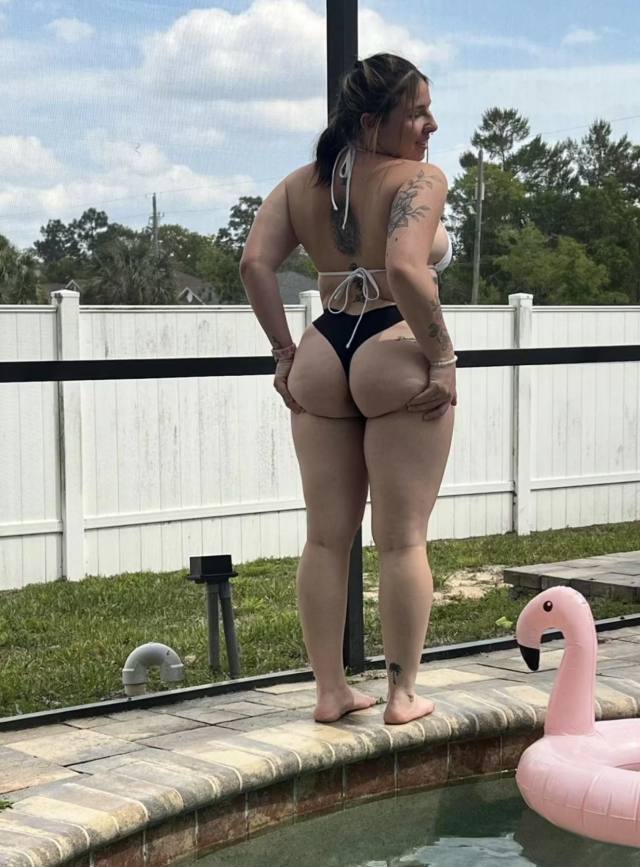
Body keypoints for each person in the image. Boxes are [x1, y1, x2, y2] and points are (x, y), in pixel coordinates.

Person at [239, 53, 456, 725]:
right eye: (416, 113)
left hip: (324, 348)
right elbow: (404, 267)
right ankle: (401, 694)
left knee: (325, 540)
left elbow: (253, 263)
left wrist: (283, 352)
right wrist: (442, 358)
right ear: (371, 121)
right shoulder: (418, 179)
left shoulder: (300, 184)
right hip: (393, 346)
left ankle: (331, 691)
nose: (431, 125)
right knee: (403, 539)